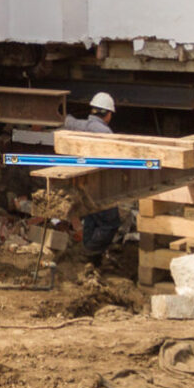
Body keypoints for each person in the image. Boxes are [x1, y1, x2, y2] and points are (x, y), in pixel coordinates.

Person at [67, 92, 124, 261]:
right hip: (99, 185)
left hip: (80, 183)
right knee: (110, 222)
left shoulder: (77, 125)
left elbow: (65, 120)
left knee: (92, 216)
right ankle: (89, 253)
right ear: (107, 114)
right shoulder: (105, 133)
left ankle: (90, 256)